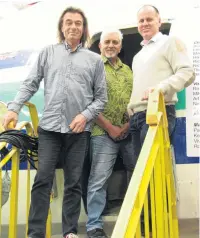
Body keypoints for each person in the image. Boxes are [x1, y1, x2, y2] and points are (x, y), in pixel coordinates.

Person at [3, 7, 107, 238]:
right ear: (61, 27)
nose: (73, 26)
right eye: (68, 22)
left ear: (83, 28)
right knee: (42, 180)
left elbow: (101, 99)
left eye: (78, 23)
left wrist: (85, 115)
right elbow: (30, 83)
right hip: (50, 129)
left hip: (79, 131)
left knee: (74, 183)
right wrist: (14, 108)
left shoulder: (94, 60)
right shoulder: (47, 53)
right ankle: (35, 233)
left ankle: (69, 232)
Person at [127, 4, 195, 236]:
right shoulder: (137, 56)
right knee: (142, 176)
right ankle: (148, 228)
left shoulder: (170, 42)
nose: (144, 23)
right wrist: (130, 107)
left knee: (155, 174)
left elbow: (187, 72)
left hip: (159, 113)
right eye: (141, 21)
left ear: (159, 21)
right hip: (137, 118)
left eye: (149, 19)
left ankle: (160, 228)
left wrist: (162, 88)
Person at [86, 29, 134, 238]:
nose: (111, 45)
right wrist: (111, 128)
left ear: (120, 47)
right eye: (107, 42)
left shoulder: (128, 71)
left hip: (128, 131)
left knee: (136, 174)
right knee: (99, 179)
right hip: (102, 132)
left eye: (115, 42)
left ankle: (139, 216)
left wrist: (126, 126)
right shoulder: (92, 68)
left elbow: (134, 102)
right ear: (100, 46)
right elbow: (89, 103)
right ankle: (94, 226)